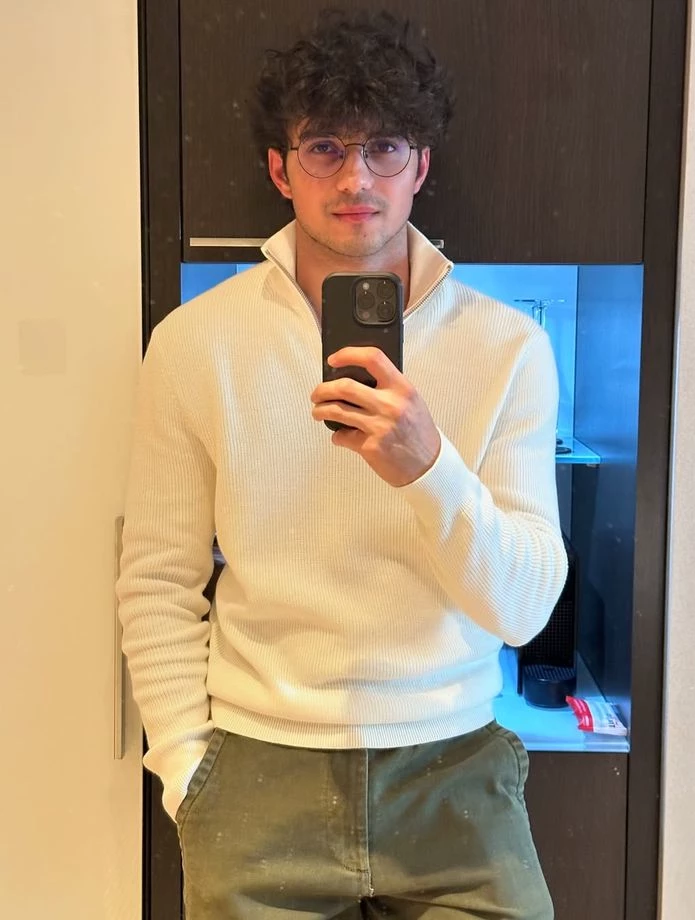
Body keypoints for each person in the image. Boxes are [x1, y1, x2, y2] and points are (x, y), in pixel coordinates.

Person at [117, 9, 568, 919]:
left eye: (385, 148)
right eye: (324, 147)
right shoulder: (197, 343)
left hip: (454, 770)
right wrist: (187, 770)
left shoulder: (508, 347)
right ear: (280, 169)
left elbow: (525, 610)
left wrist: (428, 468)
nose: (356, 178)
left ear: (421, 167)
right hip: (256, 771)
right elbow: (158, 578)